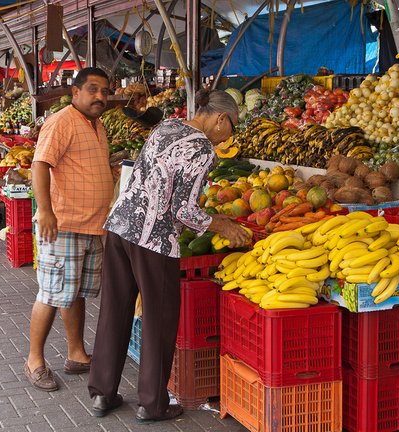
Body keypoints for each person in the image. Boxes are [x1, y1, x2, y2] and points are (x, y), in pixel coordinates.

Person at [86, 89, 248, 423]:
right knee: (159, 320)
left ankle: (103, 393)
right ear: (220, 119)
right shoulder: (201, 146)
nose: (228, 136)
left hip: (120, 226)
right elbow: (183, 209)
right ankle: (153, 403)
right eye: (231, 127)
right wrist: (221, 225)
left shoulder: (168, 126)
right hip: (152, 239)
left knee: (114, 309)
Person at [25, 68, 115, 392]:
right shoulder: (62, 121)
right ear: (75, 92)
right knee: (51, 293)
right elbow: (40, 164)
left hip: (92, 225)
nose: (100, 96)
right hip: (63, 224)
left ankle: (76, 353)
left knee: (73, 292)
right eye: (93, 89)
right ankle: (34, 360)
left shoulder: (97, 124)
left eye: (105, 91)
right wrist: (46, 211)